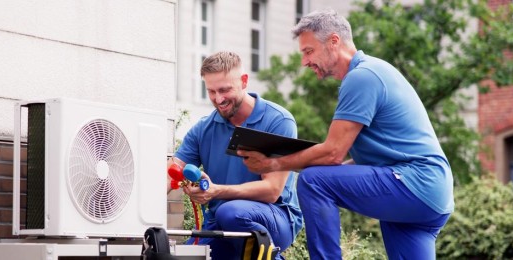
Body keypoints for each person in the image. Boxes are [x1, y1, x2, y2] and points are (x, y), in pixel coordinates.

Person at [238, 9, 454, 260]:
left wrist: (273, 163)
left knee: (312, 180)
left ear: (333, 42)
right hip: (431, 193)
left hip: (414, 182)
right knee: (320, 177)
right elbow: (342, 161)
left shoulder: (361, 77)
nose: (304, 62)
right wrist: (310, 163)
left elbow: (332, 154)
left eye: (308, 51)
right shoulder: (373, 71)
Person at [168, 51, 303, 259]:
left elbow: (272, 190)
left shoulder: (277, 121)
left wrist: (216, 191)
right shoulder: (204, 129)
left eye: (224, 90)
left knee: (230, 212)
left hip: (275, 218)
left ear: (244, 81)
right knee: (186, 256)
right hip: (219, 221)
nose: (218, 99)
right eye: (211, 91)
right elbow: (171, 173)